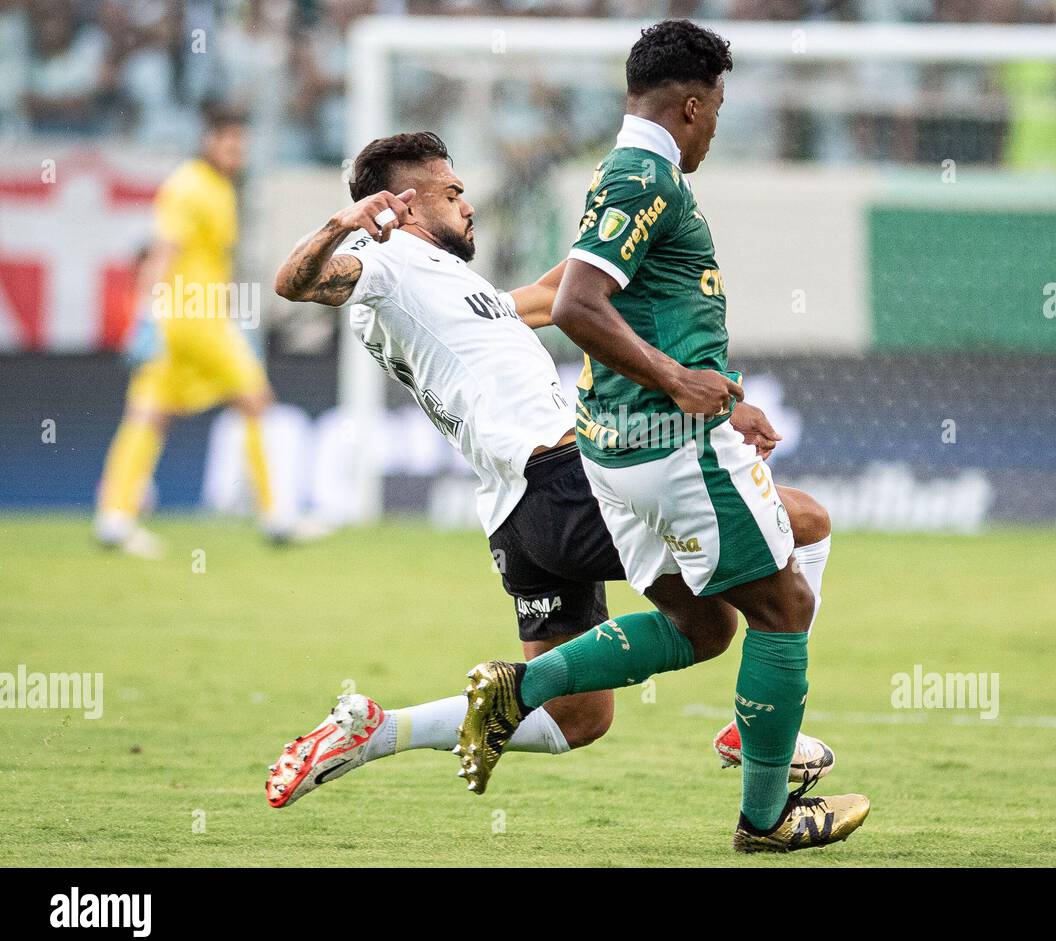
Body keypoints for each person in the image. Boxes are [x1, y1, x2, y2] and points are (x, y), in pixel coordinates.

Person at [265, 130, 838, 810]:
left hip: (520, 513)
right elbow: (298, 284)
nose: (469, 205)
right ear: (407, 205)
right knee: (801, 523)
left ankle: (374, 732)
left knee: (580, 716)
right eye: (453, 193)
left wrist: (638, 230)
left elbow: (549, 295)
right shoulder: (381, 258)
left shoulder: (449, 286)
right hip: (566, 479)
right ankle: (774, 730)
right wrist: (342, 224)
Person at [454, 20, 869, 853]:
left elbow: (634, 307)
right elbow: (575, 305)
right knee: (785, 606)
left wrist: (723, 395)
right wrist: (682, 385)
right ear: (690, 104)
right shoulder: (648, 175)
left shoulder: (626, 172)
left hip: (618, 453)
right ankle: (767, 817)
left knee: (704, 627)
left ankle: (518, 687)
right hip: (671, 447)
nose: (715, 124)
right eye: (715, 109)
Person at [95, 104, 318, 557]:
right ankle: (276, 515)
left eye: (241, 143)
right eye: (228, 141)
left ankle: (115, 518)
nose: (236, 150)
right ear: (208, 141)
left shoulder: (216, 187)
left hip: (185, 316)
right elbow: (163, 251)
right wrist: (144, 314)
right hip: (194, 318)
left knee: (148, 412)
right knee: (256, 401)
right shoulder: (191, 187)